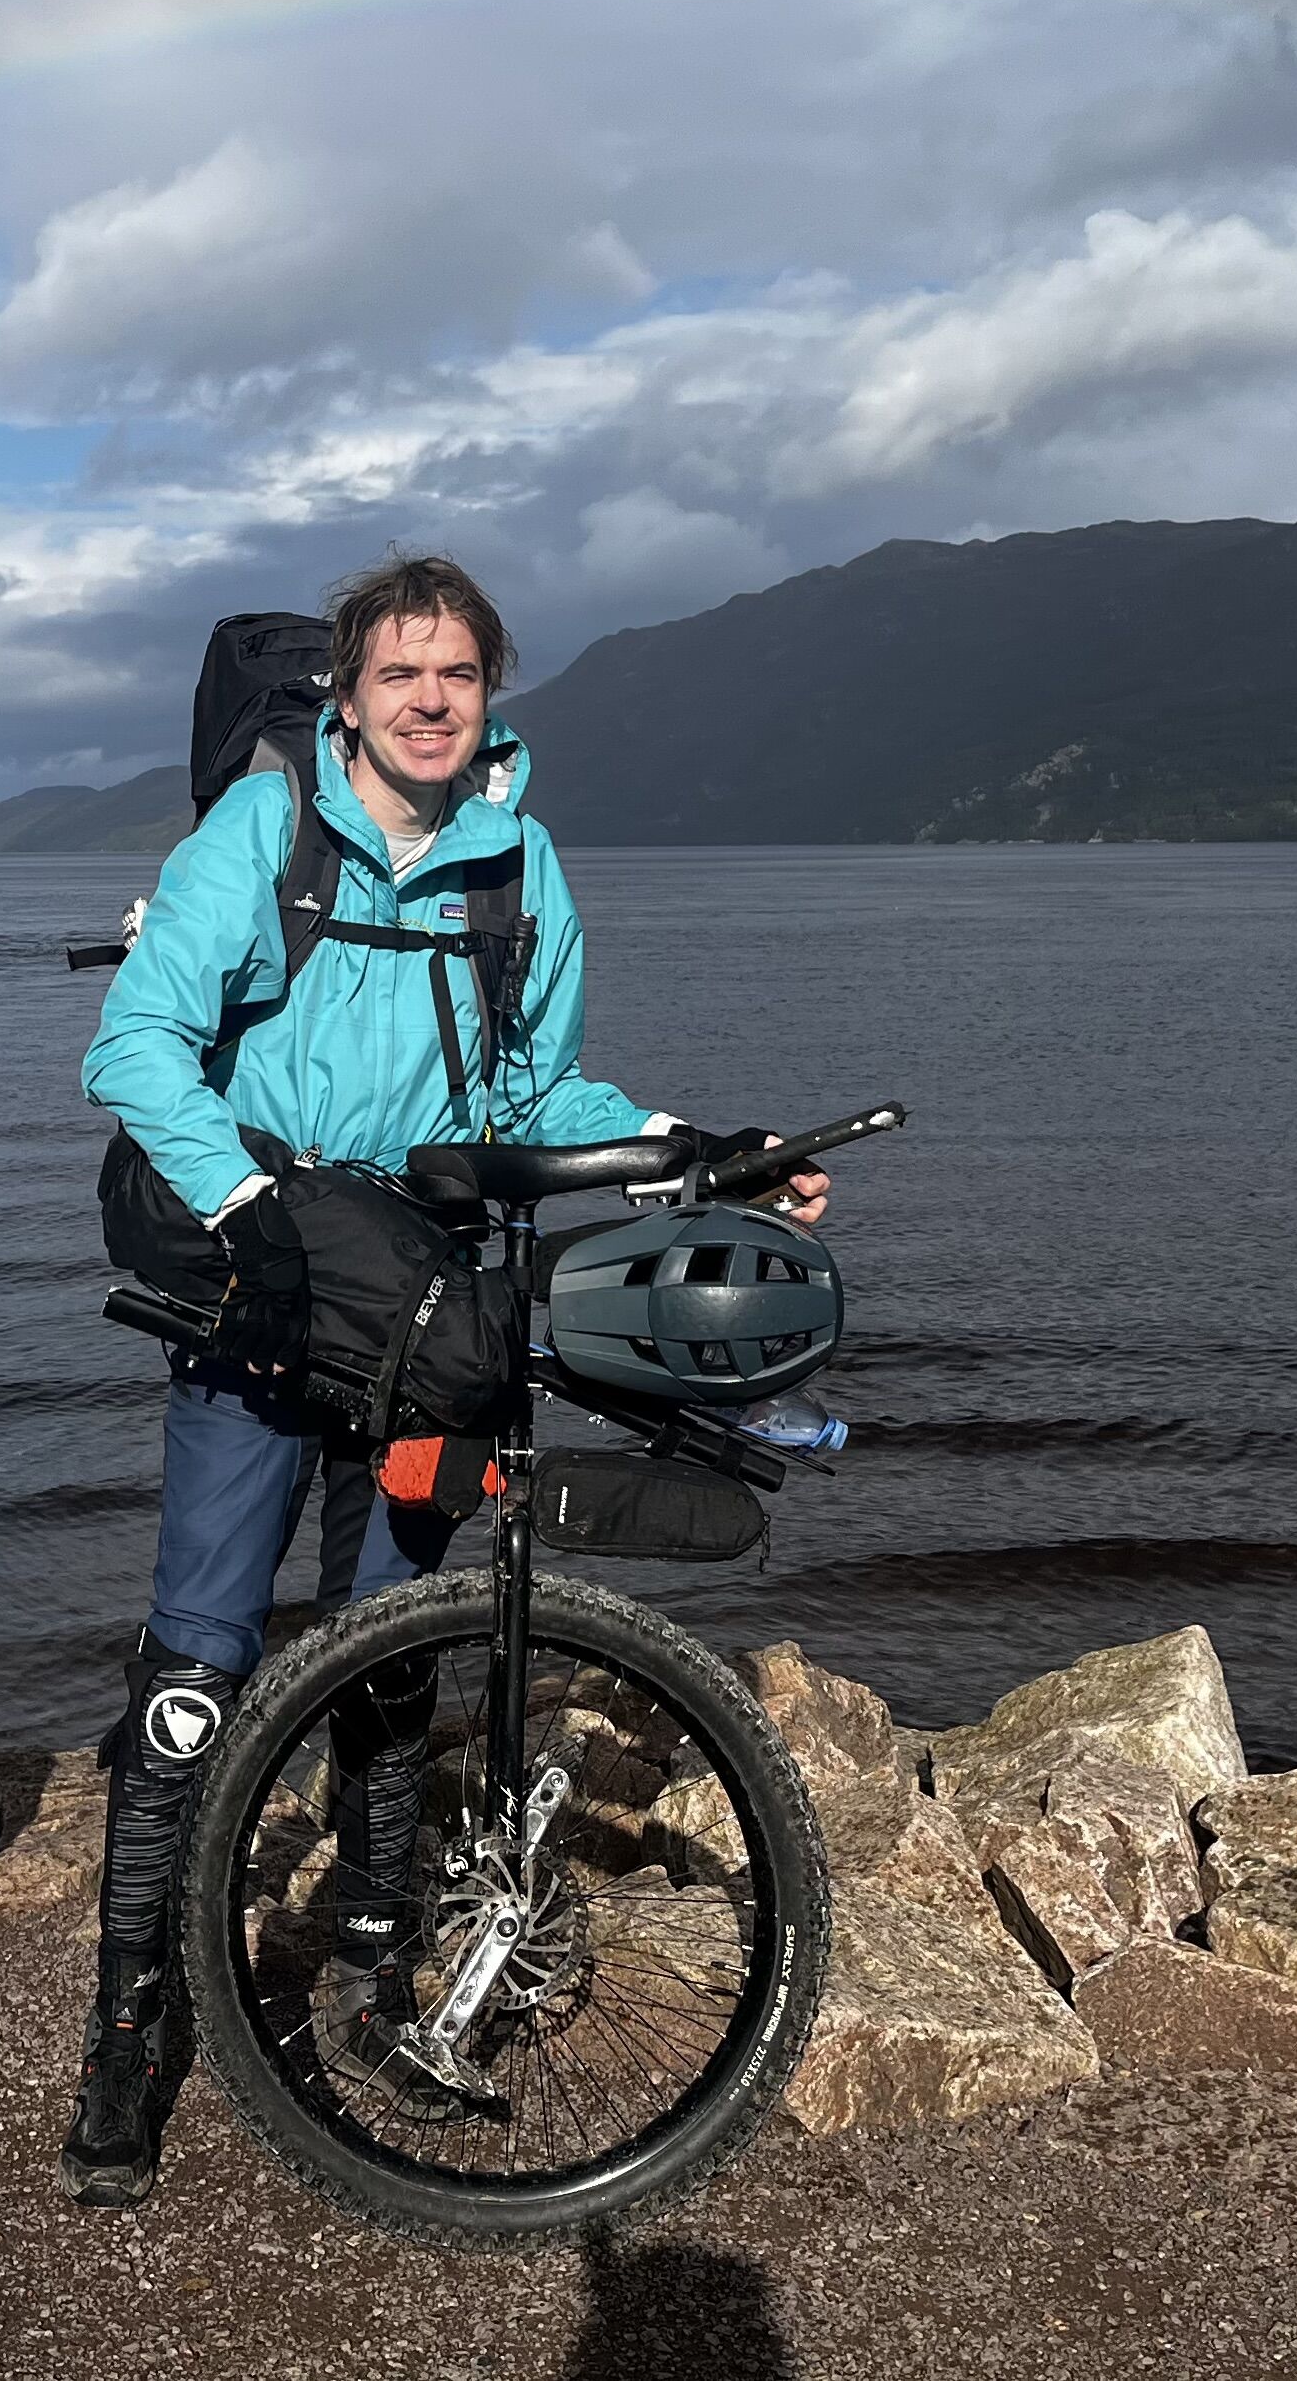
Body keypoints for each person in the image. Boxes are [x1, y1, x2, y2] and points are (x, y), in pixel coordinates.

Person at [65, 551, 828, 2205]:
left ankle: (368, 1964)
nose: (429, 701)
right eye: (399, 674)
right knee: (198, 1661)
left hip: (426, 1309)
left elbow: (539, 1093)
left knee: (392, 1643)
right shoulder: (263, 830)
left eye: (458, 675)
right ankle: (128, 2019)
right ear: (345, 695)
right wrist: (251, 1208)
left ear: (491, 695)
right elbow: (133, 1045)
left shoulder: (518, 863)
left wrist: (701, 1147)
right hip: (264, 1296)